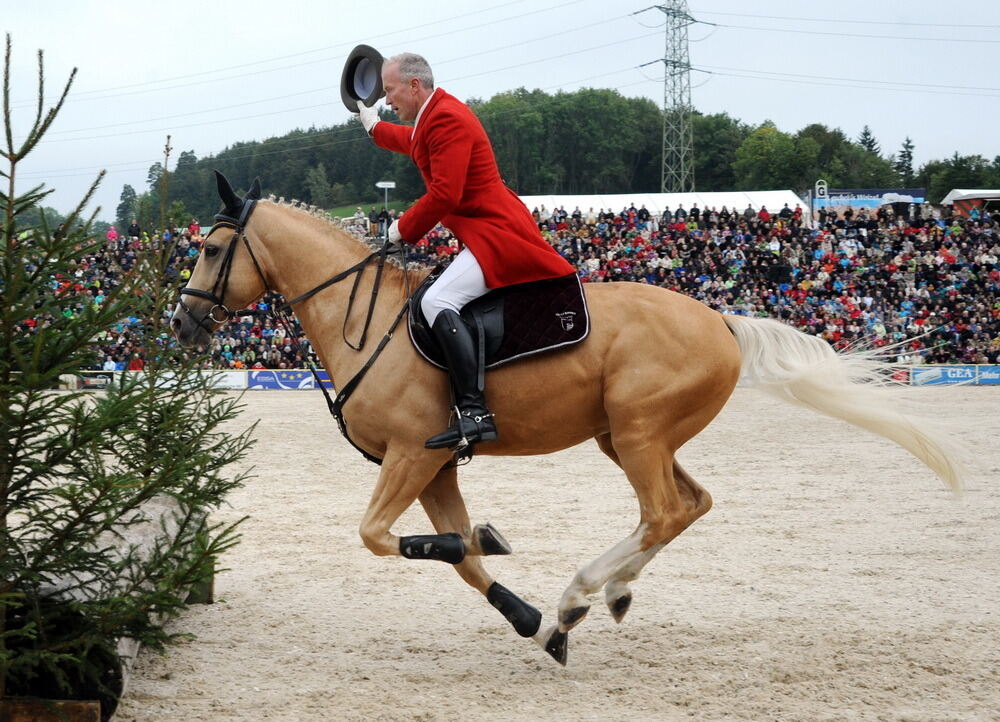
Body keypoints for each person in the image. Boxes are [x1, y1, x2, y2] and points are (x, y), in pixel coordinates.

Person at [356, 52, 575, 451]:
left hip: (497, 235)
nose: (387, 100)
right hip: (485, 231)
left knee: (437, 301)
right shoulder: (434, 116)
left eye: (389, 92)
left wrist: (400, 230)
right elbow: (410, 141)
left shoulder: (447, 118)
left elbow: (445, 193)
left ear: (414, 86)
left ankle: (475, 413)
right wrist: (373, 127)